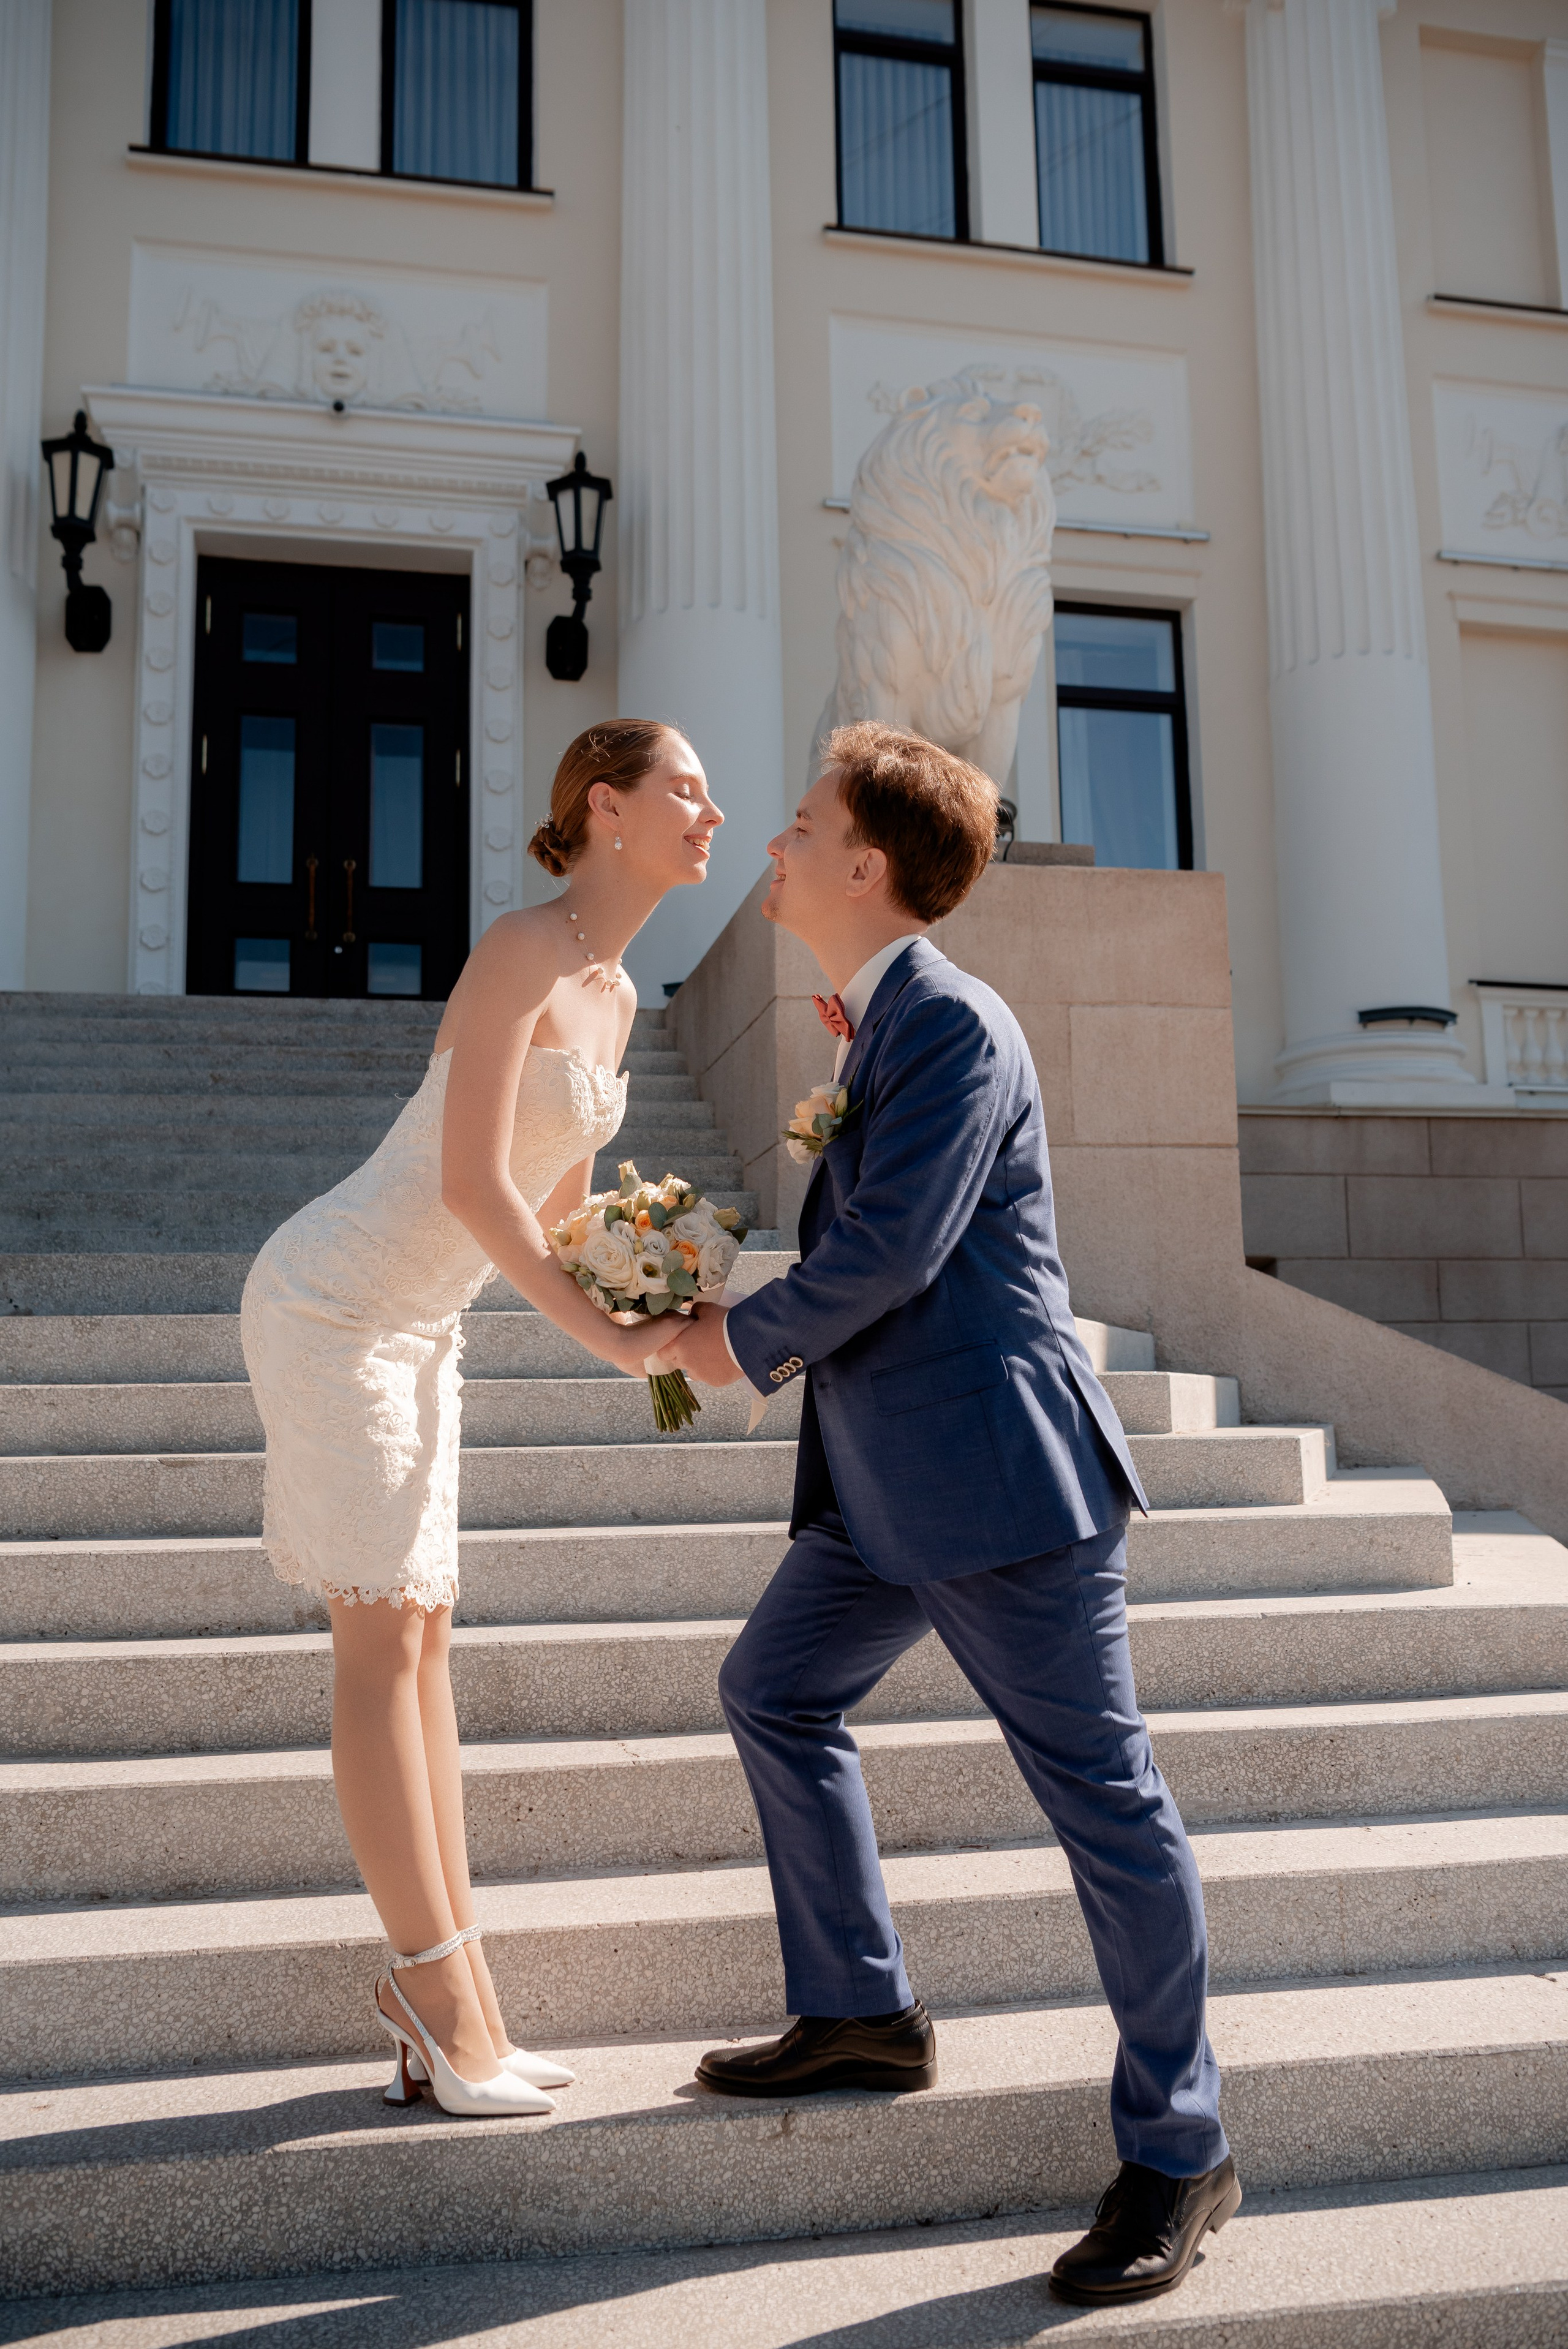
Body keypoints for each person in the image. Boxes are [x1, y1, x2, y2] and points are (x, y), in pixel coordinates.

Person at [654, 720, 1238, 2306]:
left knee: (1106, 1804)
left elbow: (894, 1252)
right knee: (770, 1687)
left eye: (798, 822)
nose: (771, 845)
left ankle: (1183, 2150)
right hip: (886, 1486)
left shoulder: (958, 1027)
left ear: (867, 861)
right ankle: (860, 2007)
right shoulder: (863, 1033)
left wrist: (729, 1336)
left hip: (1002, 1483)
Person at [241, 720, 722, 2119]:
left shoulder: (621, 995)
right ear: (605, 809)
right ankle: (439, 1998)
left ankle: (461, 2001)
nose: (709, 810)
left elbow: (558, 1214)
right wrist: (613, 1345)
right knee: (381, 1635)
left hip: (423, 1328)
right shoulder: (523, 945)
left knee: (426, 1638)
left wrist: (666, 1276)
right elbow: (468, 1183)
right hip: (335, 1305)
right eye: (683, 789)